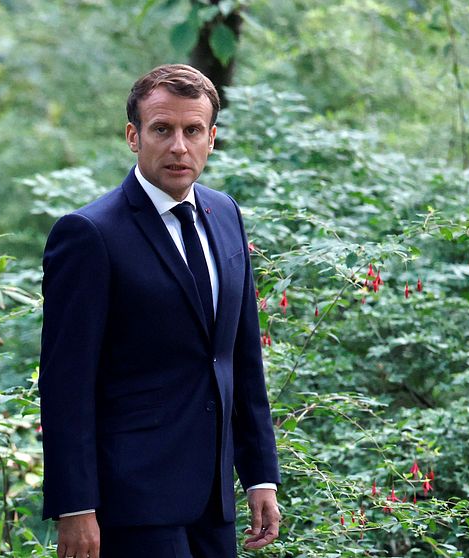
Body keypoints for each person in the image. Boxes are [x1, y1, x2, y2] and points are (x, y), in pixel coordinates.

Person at [39, 64, 281, 558]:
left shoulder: (226, 213)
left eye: (193, 131)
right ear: (133, 135)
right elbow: (65, 383)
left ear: (211, 138)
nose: (178, 146)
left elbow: (239, 357)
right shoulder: (89, 235)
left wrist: (260, 475)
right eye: (162, 129)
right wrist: (75, 505)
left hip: (214, 500)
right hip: (130, 502)